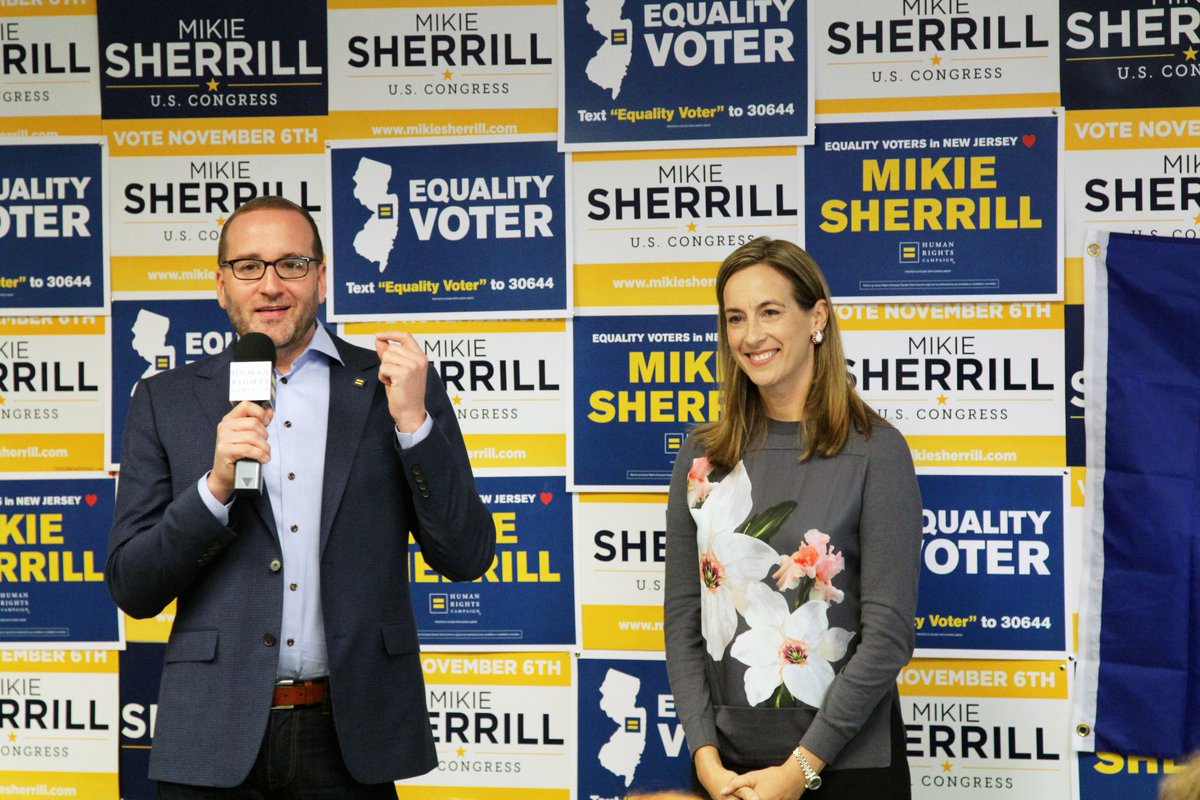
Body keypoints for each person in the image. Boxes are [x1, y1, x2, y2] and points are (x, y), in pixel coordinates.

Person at [107, 196, 496, 798]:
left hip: (350, 737)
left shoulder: (390, 386)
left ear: (321, 277)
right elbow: (133, 587)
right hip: (212, 735)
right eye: (248, 267)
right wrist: (213, 488)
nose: (270, 285)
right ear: (220, 284)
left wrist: (414, 424)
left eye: (291, 264)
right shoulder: (166, 399)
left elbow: (465, 556)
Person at [663, 237, 922, 800]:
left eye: (770, 311)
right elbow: (685, 623)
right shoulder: (702, 455)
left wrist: (800, 771)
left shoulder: (877, 451)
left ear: (817, 319)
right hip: (725, 774)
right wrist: (706, 762)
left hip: (848, 769)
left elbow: (887, 638)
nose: (751, 335)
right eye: (735, 318)